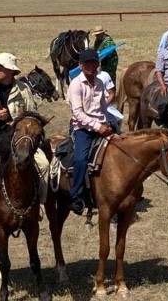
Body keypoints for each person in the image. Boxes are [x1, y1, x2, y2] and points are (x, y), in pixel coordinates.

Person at [0, 53, 50, 220]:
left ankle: (39, 202)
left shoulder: (24, 89)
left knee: (44, 164)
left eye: (1, 67)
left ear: (12, 71)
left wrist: (18, 123)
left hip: (18, 136)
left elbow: (32, 114)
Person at [67, 49, 113, 214]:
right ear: (80, 65)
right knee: (81, 160)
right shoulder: (75, 85)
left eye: (94, 62)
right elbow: (78, 113)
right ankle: (75, 195)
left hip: (102, 125)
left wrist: (106, 123)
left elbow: (102, 107)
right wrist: (97, 126)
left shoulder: (100, 83)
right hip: (83, 129)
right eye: (87, 63)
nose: (91, 66)